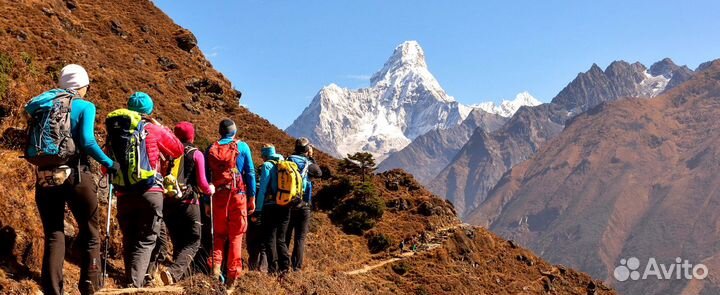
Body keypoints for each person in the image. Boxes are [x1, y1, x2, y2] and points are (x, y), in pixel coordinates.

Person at [30, 64, 119, 295]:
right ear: (82, 85)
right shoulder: (84, 106)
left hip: (46, 175)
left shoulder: (44, 105)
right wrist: (109, 163)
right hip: (76, 174)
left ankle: (52, 290)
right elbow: (88, 141)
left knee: (53, 233)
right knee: (91, 234)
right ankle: (90, 288)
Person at [111, 92, 184, 288]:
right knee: (146, 238)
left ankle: (134, 279)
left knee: (130, 236)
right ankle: (134, 284)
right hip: (150, 190)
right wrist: (162, 128)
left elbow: (106, 165)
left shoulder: (117, 131)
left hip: (123, 192)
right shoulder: (152, 129)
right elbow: (177, 149)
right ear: (149, 110)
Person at [156, 122, 216, 285]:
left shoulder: (167, 151)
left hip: (168, 202)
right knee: (193, 241)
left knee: (178, 242)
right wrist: (210, 189)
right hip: (189, 203)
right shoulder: (196, 154)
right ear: (191, 135)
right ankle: (173, 273)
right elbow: (203, 183)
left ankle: (178, 281)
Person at [206, 119, 256, 286]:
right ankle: (232, 277)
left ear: (220, 131)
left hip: (217, 197)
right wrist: (252, 197)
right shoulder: (242, 147)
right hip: (237, 195)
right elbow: (250, 173)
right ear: (234, 131)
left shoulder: (211, 148)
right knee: (236, 236)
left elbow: (207, 178)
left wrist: (207, 202)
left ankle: (215, 269)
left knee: (218, 236)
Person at [284, 138, 322, 271]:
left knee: (286, 236)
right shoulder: (309, 164)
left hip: (287, 203)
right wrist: (311, 157)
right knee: (300, 238)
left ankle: (283, 266)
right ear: (307, 150)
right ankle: (297, 269)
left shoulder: (287, 160)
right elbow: (319, 173)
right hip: (304, 204)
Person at [256, 144, 291, 275]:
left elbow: (263, 189)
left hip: (270, 206)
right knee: (281, 238)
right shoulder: (285, 163)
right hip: (285, 205)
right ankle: (285, 268)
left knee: (270, 237)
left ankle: (273, 268)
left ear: (264, 155)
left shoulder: (267, 166)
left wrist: (258, 209)